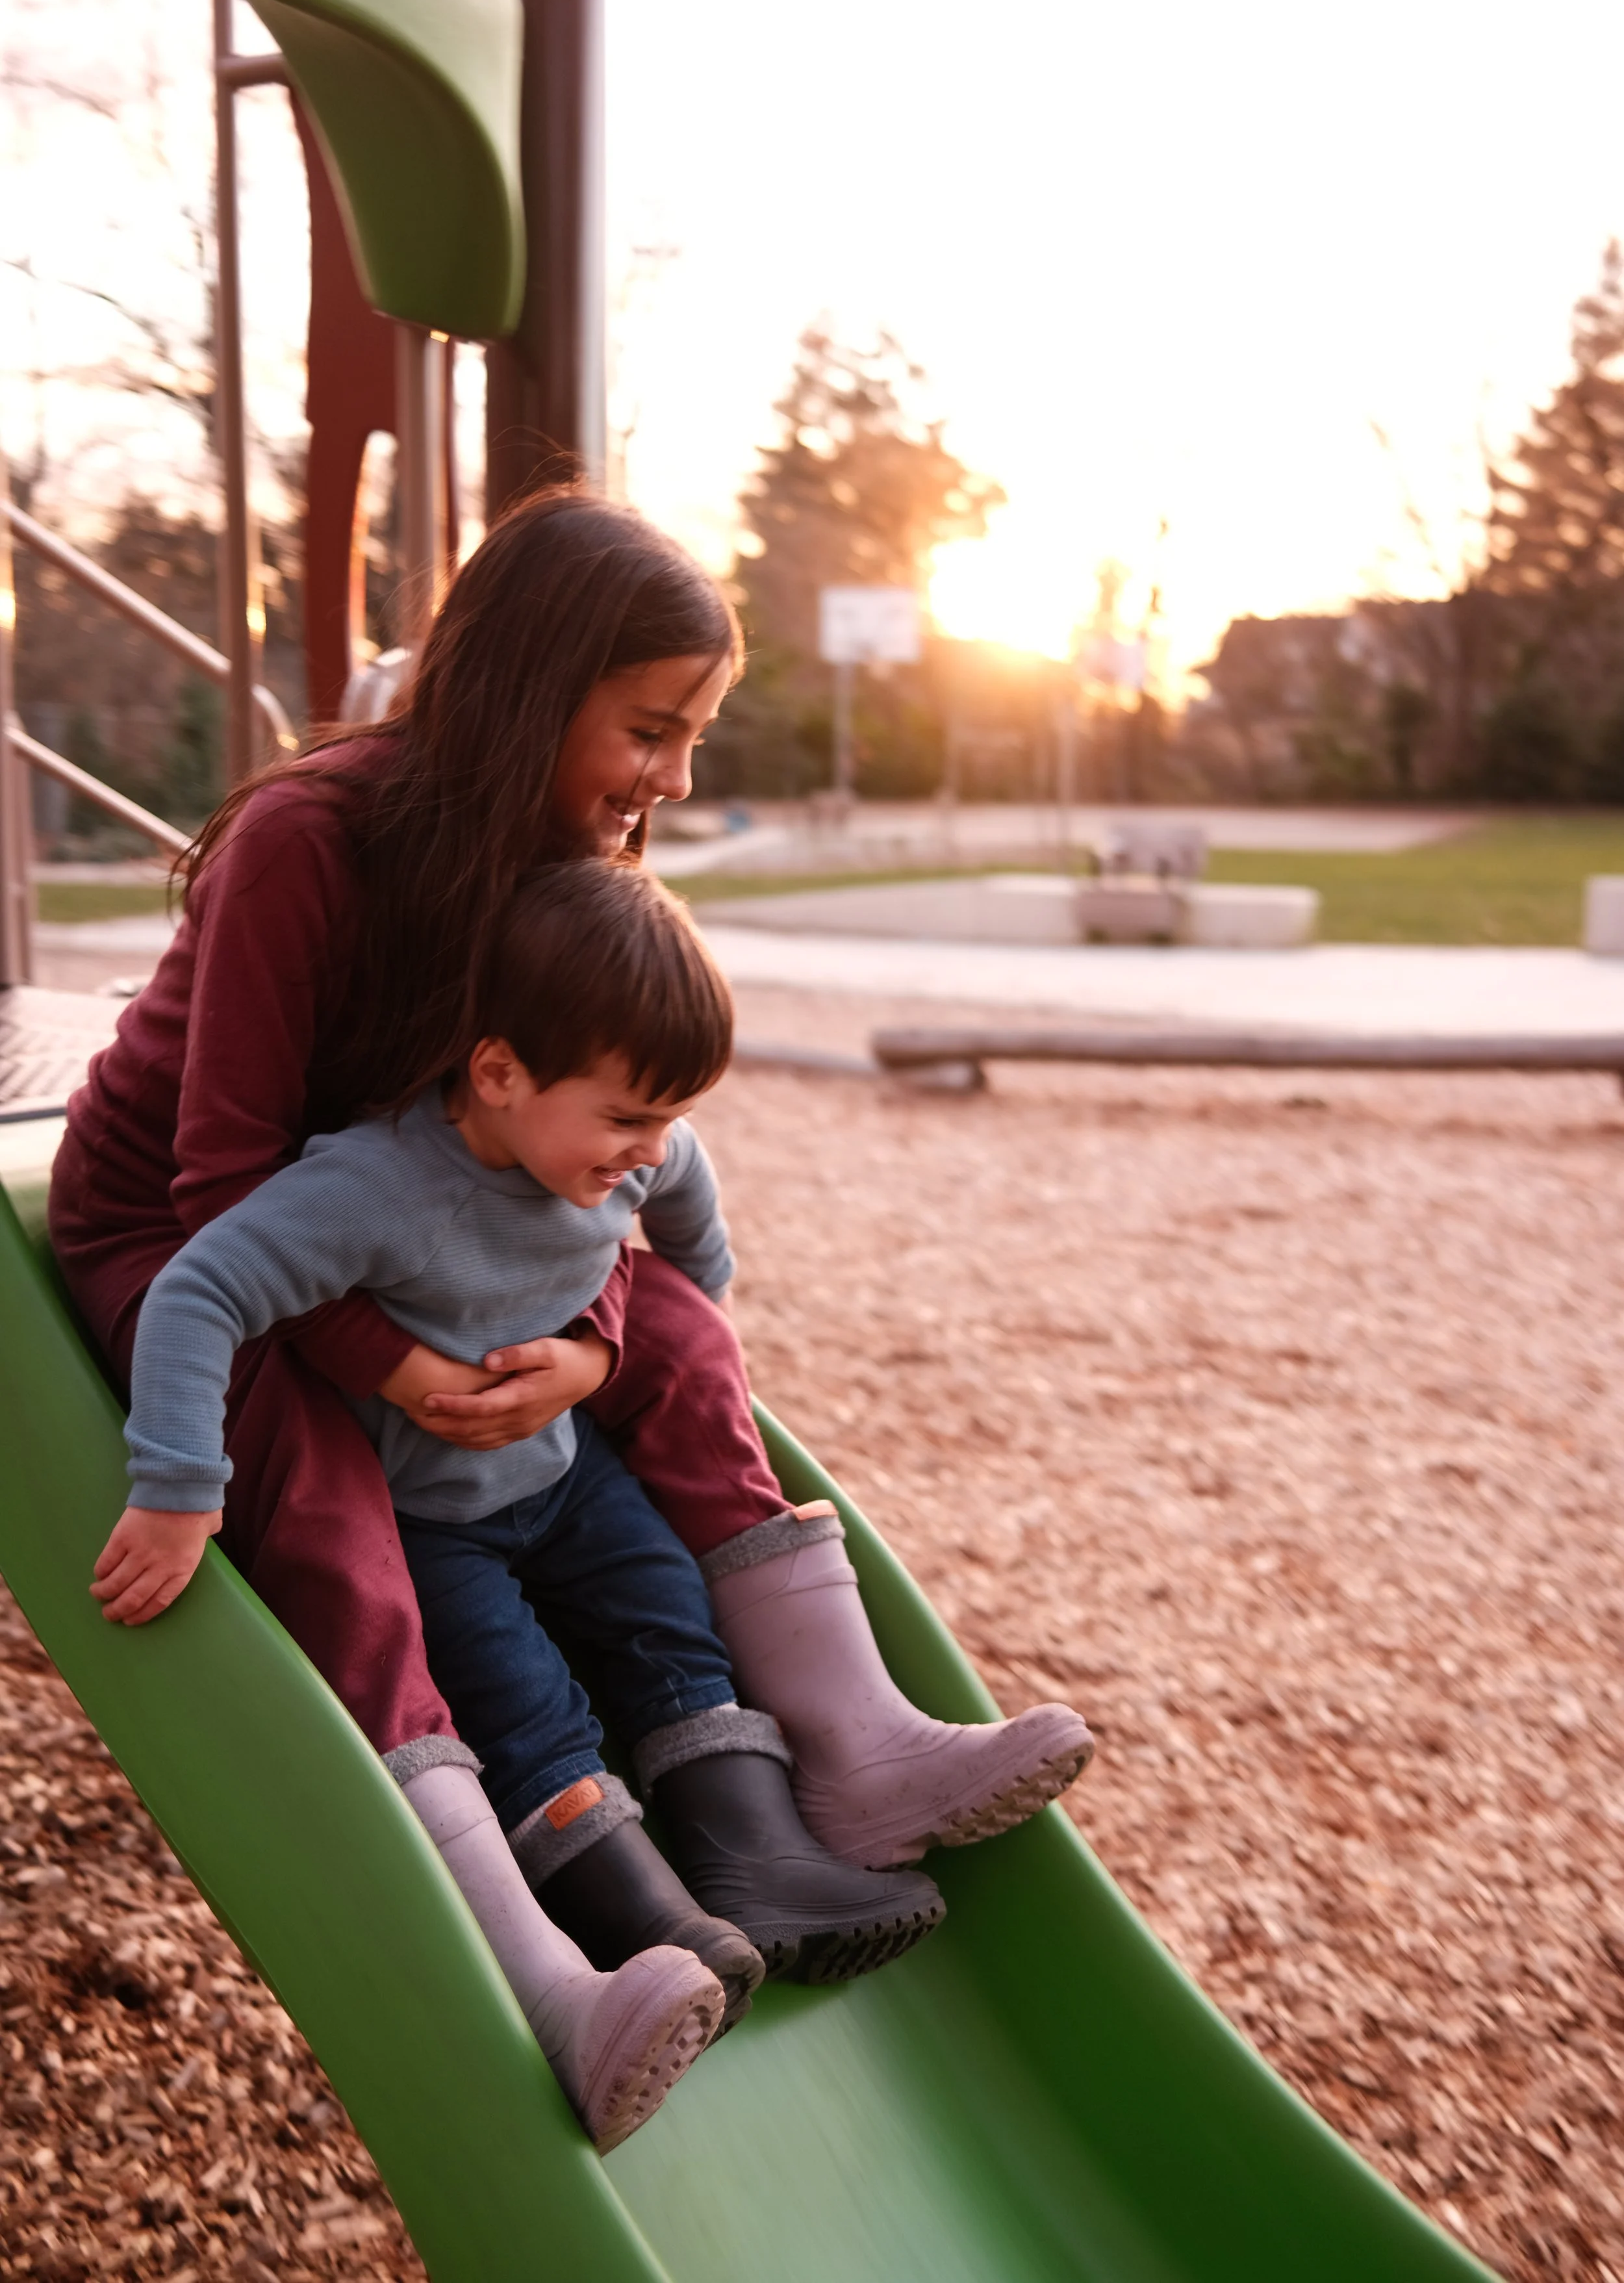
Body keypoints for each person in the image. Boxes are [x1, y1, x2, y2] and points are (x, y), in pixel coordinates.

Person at [52, 487, 1091, 1903]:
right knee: (325, 1487)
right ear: (531, 698)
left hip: (411, 1210)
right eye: (648, 733)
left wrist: (593, 1338)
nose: (667, 779)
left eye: (689, 742)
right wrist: (402, 1368)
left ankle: (854, 1741)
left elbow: (599, 1165)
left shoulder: (554, 859)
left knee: (683, 1340)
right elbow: (224, 1178)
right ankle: (486, 1894)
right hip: (187, 1232)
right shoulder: (307, 842)